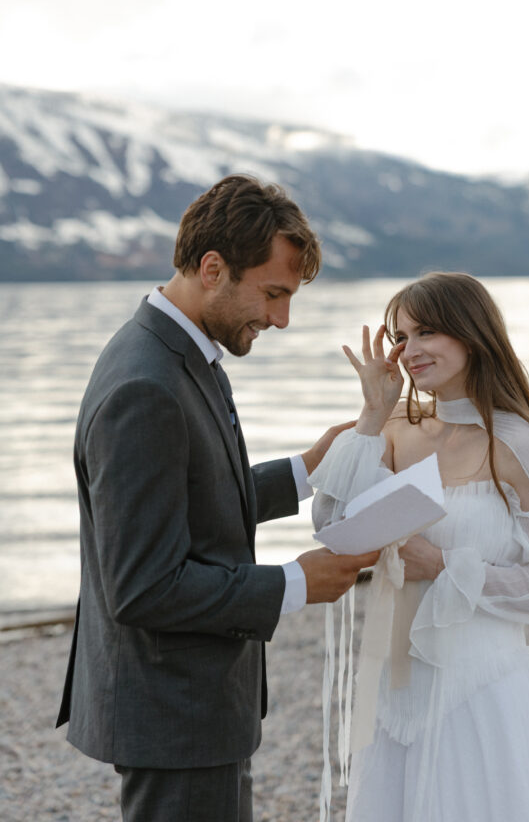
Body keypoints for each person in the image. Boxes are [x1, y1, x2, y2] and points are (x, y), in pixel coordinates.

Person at [56, 174, 379, 822]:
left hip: (195, 710)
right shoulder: (143, 388)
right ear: (212, 268)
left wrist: (305, 471)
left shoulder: (180, 353)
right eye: (273, 293)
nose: (281, 319)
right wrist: (293, 582)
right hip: (172, 714)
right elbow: (143, 585)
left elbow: (190, 500)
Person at [311, 272, 529, 822]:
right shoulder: (391, 429)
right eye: (401, 337)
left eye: (427, 332)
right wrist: (369, 413)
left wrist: (443, 564)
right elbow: (330, 520)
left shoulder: (518, 444)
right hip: (393, 690)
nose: (409, 350)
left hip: (481, 693)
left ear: (472, 333)